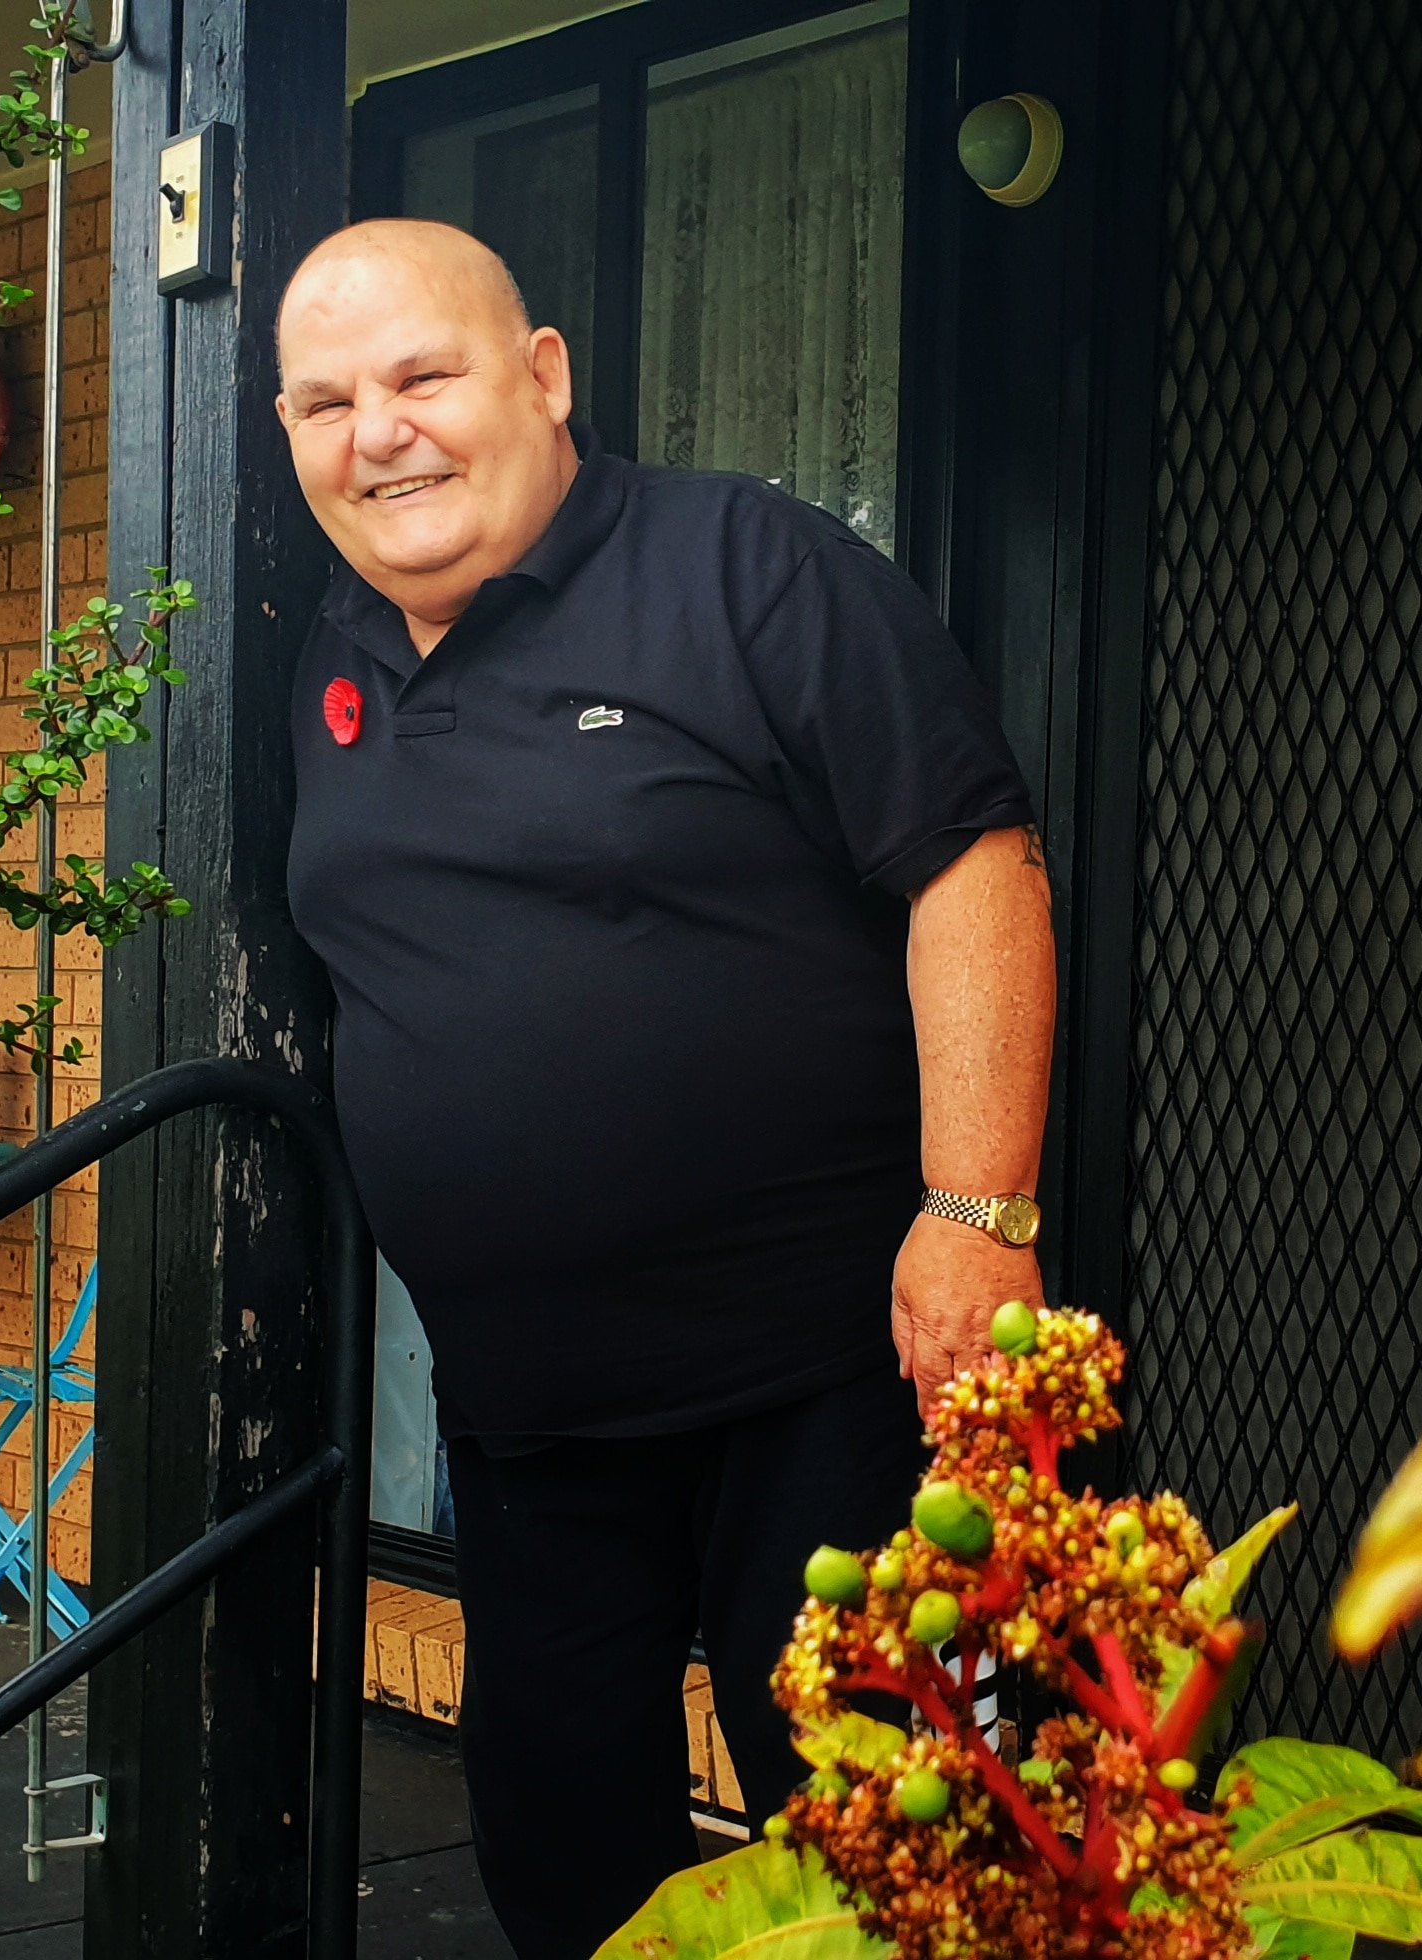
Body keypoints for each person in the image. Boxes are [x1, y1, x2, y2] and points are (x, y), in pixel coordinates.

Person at [273, 219, 1057, 1957]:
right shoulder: (321, 652)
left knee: (894, 1858)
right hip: (532, 1419)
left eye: (421, 376)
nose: (376, 431)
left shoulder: (747, 570)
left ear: (542, 378)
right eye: (325, 402)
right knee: (566, 1864)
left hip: (829, 1384)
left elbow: (974, 870)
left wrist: (976, 1215)